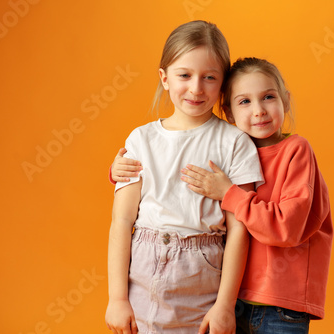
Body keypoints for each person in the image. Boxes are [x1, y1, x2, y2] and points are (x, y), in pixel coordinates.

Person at [112, 57, 333, 333]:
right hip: (234, 297)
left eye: (268, 97)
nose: (259, 111)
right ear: (228, 113)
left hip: (279, 303)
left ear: (285, 101)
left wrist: (229, 193)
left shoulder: (296, 151)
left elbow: (286, 227)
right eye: (245, 102)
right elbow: (174, 177)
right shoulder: (231, 147)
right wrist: (119, 169)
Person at [105, 22, 264, 334]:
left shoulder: (234, 142)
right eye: (184, 75)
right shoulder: (141, 139)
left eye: (209, 77)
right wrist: (117, 298)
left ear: (223, 84)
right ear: (164, 78)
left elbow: (239, 230)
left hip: (204, 275)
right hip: (144, 271)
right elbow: (122, 222)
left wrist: (224, 305)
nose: (196, 88)